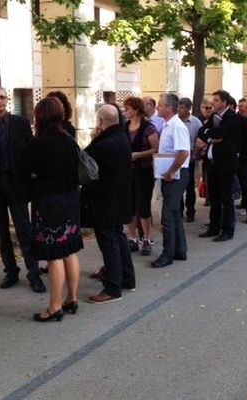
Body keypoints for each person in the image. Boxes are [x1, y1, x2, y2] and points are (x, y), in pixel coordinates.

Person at [0, 85, 45, 293]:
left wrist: (30, 176)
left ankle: (34, 273)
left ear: (7, 100)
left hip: (17, 185)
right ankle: (11, 271)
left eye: (2, 97)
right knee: (2, 234)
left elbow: (31, 151)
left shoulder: (20, 123)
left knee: (24, 231)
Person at [21, 97, 83, 321]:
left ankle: (54, 306)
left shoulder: (37, 144)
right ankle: (71, 298)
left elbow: (24, 171)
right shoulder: (69, 140)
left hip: (48, 201)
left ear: (40, 117)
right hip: (70, 199)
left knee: (53, 255)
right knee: (69, 249)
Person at [81, 104, 135, 303]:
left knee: (109, 242)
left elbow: (84, 160)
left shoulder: (104, 143)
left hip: (105, 201)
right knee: (118, 238)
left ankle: (112, 288)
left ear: (100, 122)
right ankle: (127, 279)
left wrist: (94, 138)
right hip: (118, 198)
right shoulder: (121, 137)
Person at [151, 93, 191, 267]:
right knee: (173, 214)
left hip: (176, 175)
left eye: (160, 105)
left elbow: (183, 152)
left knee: (167, 216)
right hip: (169, 174)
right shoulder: (167, 125)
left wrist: (171, 171)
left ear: (169, 108)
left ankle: (167, 254)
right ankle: (180, 250)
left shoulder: (177, 126)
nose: (157, 108)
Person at [199, 90, 242, 242]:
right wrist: (211, 137)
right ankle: (214, 227)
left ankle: (228, 229)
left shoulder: (233, 118)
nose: (213, 103)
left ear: (224, 102)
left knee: (226, 198)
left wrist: (211, 136)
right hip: (212, 163)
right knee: (214, 197)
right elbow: (202, 132)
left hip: (226, 164)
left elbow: (220, 133)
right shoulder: (214, 117)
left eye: (216, 100)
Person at [123, 96, 159, 255]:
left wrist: (139, 155)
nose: (126, 111)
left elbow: (156, 149)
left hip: (143, 172)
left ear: (136, 110)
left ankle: (147, 239)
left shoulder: (148, 127)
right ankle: (132, 238)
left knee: (143, 206)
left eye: (128, 108)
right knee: (129, 207)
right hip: (128, 172)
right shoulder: (124, 127)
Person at [178, 97, 202, 222]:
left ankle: (191, 211)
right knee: (178, 186)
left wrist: (196, 154)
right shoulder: (175, 121)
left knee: (189, 186)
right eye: (178, 107)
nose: (179, 110)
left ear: (188, 108)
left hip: (190, 158)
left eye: (182, 107)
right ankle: (179, 211)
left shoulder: (196, 123)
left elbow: (200, 139)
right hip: (177, 158)